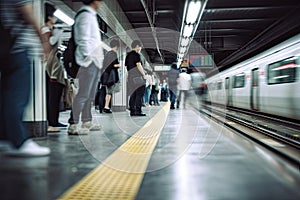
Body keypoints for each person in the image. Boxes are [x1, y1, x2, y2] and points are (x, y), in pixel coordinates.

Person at [0, 0, 50, 156]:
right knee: (18, 96)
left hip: (7, 45)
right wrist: (43, 39)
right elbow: (25, 9)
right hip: (17, 46)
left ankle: (5, 138)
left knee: (6, 95)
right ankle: (19, 140)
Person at [68, 0, 104, 135]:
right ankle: (73, 124)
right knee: (83, 94)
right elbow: (82, 40)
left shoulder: (91, 15)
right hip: (88, 62)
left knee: (89, 95)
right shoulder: (85, 15)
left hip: (94, 62)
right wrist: (89, 59)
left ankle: (86, 121)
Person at [41, 11, 66, 132]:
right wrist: (54, 74)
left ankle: (54, 122)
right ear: (49, 17)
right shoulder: (47, 32)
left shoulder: (50, 32)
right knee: (53, 98)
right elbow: (51, 55)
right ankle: (52, 124)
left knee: (54, 99)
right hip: (52, 71)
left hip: (52, 70)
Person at [125, 40, 147, 116]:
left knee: (133, 94)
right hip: (137, 77)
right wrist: (144, 74)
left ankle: (132, 111)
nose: (140, 48)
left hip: (130, 77)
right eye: (140, 47)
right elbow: (138, 65)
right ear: (137, 46)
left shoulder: (128, 55)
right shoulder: (136, 54)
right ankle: (138, 111)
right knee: (140, 93)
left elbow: (126, 66)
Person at [101, 39, 120, 113]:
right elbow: (113, 65)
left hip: (106, 75)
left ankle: (105, 106)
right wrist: (119, 65)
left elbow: (104, 65)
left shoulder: (107, 54)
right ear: (116, 46)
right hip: (111, 76)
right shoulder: (114, 54)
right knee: (109, 92)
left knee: (107, 92)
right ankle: (106, 107)